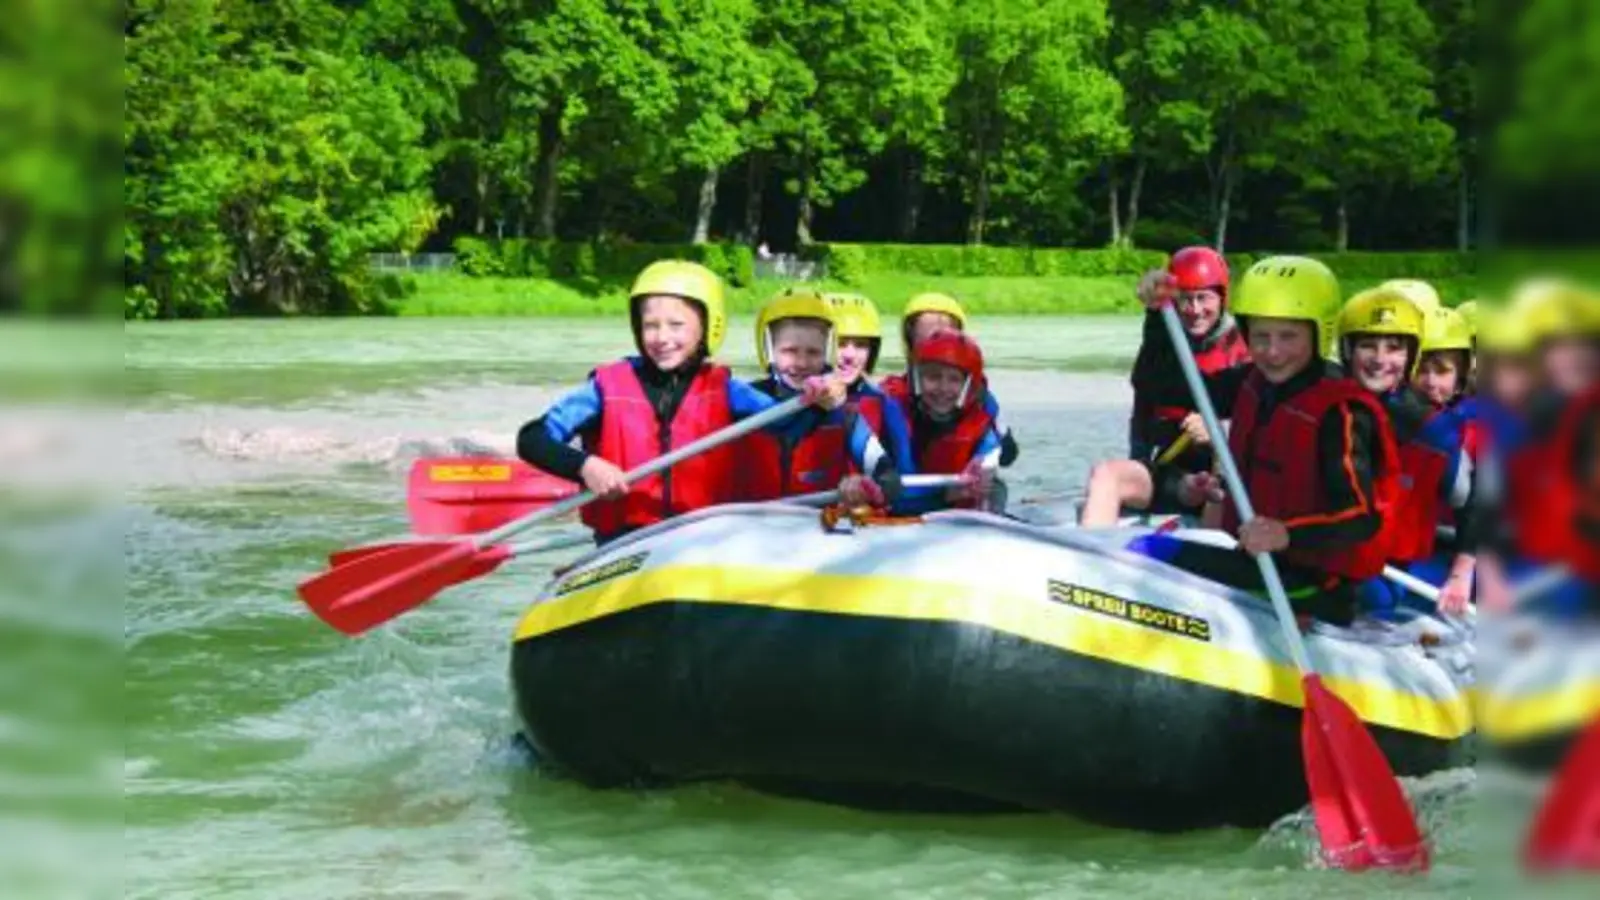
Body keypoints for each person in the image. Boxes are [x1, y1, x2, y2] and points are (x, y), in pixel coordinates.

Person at [1135, 256, 1401, 626]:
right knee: (1143, 549)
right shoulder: (1253, 381)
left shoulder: (1341, 412)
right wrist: (1157, 316)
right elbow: (1161, 386)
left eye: (1288, 336)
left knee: (1151, 557)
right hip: (1263, 564)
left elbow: (1361, 517)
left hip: (1319, 587)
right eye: (1261, 337)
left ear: (1318, 333)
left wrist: (1286, 534)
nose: (1273, 352)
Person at [515, 260, 848, 545]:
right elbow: (532, 438)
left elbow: (789, 424)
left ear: (707, 327)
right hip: (624, 543)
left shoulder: (727, 390)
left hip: (705, 540)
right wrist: (585, 466)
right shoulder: (606, 388)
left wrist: (820, 402)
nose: (662, 337)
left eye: (676, 325)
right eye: (651, 326)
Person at [1081, 246, 1251, 527]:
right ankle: (1091, 551)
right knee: (1105, 474)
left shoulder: (1247, 348)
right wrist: (1138, 463)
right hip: (1175, 478)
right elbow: (1143, 410)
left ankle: (1209, 548)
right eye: (1185, 299)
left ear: (1222, 298)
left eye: (1203, 298)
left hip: (1224, 479)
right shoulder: (1162, 345)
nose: (1195, 310)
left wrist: (1218, 432)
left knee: (1218, 490)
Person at [1335, 288, 1476, 617]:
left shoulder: (1439, 433)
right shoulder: (1328, 402)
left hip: (1393, 569)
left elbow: (1469, 501)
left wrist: (1461, 574)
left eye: (1442, 371)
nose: (1430, 382)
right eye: (1368, 345)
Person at [732, 288, 901, 503]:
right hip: (749, 520)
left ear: (827, 354)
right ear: (769, 350)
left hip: (815, 521)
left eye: (813, 352)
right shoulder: (741, 400)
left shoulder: (845, 415)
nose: (802, 363)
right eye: (790, 351)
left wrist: (863, 484)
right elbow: (780, 422)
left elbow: (888, 478)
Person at [883, 293, 1020, 468]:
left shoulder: (981, 398)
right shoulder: (890, 397)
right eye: (928, 341)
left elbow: (1008, 452)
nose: (937, 350)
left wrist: (986, 462)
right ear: (910, 346)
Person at [886, 330, 1006, 512]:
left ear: (969, 386)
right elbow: (893, 492)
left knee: (996, 488)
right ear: (916, 378)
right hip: (902, 510)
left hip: (958, 514)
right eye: (933, 377)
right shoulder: (894, 411)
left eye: (954, 379)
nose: (943, 388)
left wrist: (979, 480)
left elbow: (991, 460)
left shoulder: (983, 426)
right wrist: (947, 495)